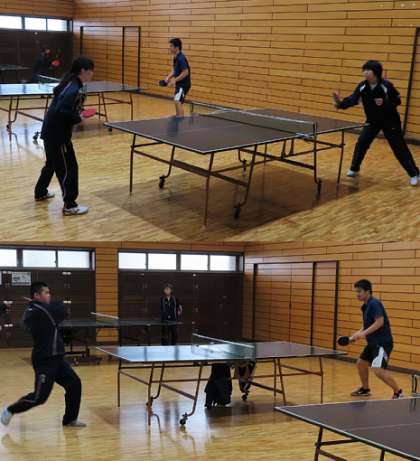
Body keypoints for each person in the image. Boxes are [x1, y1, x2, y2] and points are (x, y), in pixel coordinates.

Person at [0, 282, 85, 428]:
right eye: (46, 293)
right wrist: (41, 306)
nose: (49, 295)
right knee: (39, 397)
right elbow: (61, 310)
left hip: (58, 358)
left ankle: (70, 419)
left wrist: (42, 304)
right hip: (44, 360)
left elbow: (60, 311)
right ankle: (10, 410)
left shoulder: (42, 309)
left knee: (74, 384)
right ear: (36, 295)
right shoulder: (33, 312)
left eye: (49, 292)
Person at [333, 60, 419, 186]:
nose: (365, 73)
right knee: (362, 143)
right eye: (364, 70)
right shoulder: (362, 86)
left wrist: (385, 103)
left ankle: (414, 174)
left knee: (399, 147)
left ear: (376, 73)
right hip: (372, 121)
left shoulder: (386, 85)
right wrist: (339, 103)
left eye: (368, 70)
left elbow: (397, 100)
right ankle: (354, 168)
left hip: (390, 121)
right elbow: (353, 99)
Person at [34, 56, 94, 215]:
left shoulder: (71, 83)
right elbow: (61, 111)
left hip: (50, 131)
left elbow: (64, 107)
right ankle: (69, 205)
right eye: (91, 70)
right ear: (83, 71)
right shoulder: (73, 87)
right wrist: (78, 118)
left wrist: (77, 113)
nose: (92, 74)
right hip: (58, 135)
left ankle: (40, 192)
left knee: (52, 163)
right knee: (69, 168)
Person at [349, 279, 402, 399]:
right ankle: (365, 389)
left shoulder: (374, 303)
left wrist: (363, 334)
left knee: (378, 370)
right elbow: (367, 325)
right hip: (372, 343)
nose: (357, 294)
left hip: (382, 343)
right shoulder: (365, 306)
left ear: (368, 291)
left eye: (359, 291)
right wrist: (356, 335)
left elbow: (379, 322)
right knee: (361, 364)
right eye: (356, 292)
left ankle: (398, 392)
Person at [163, 38, 191, 116]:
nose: (170, 48)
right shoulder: (175, 57)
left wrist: (175, 80)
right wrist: (168, 78)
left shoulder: (181, 58)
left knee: (177, 101)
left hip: (184, 84)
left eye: (171, 46)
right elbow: (175, 70)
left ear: (177, 47)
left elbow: (185, 72)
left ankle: (180, 120)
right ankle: (178, 117)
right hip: (179, 84)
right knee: (177, 100)